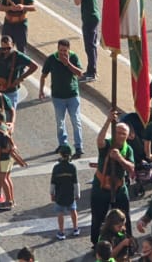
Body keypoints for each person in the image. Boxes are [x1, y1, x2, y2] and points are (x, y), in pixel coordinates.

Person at [89, 112, 136, 248]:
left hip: (119, 188)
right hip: (101, 188)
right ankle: (97, 243)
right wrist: (108, 121)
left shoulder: (128, 150)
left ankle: (126, 242)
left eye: (123, 133)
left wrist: (119, 158)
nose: (121, 135)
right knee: (97, 218)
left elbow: (131, 168)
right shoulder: (108, 144)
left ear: (127, 136)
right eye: (118, 132)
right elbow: (99, 141)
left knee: (123, 218)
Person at [39, 38, 85, 156]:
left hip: (72, 95)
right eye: (60, 50)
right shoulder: (51, 59)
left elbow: (80, 73)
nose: (62, 53)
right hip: (58, 96)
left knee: (76, 121)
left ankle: (78, 147)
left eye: (65, 51)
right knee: (60, 122)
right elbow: (43, 75)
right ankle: (63, 144)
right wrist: (41, 90)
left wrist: (68, 63)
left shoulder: (73, 57)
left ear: (69, 50)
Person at [0, 110, 27, 208]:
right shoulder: (4, 126)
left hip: (3, 159)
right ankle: (12, 199)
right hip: (9, 157)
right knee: (7, 178)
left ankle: (8, 201)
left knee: (3, 179)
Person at [68, 0, 100, 79]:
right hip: (94, 16)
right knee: (92, 44)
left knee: (89, 45)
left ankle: (92, 72)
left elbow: (77, 2)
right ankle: (93, 69)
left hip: (89, 17)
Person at [0, 33, 37, 108]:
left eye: (9, 48)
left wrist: (21, 78)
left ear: (13, 45)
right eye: (4, 49)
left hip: (11, 91)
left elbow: (34, 66)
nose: (6, 50)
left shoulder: (19, 56)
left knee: (10, 115)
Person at [50, 143, 81, 239]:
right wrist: (77, 193)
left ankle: (61, 232)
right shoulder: (72, 167)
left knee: (60, 213)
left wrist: (52, 194)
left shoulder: (56, 167)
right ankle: (75, 228)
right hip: (70, 194)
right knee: (73, 210)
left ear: (60, 154)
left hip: (60, 194)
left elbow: (53, 183)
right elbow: (76, 183)